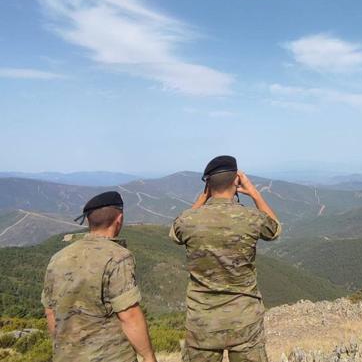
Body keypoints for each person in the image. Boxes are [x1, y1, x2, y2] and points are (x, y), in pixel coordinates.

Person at [170, 155, 282, 362]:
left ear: (208, 185)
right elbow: (274, 229)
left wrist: (203, 198)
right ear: (236, 181)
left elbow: (175, 233)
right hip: (244, 321)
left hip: (202, 324)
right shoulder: (251, 218)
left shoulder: (187, 221)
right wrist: (254, 193)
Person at [41, 191, 157, 362]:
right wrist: (148, 357)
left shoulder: (58, 257)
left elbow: (50, 311)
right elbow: (129, 315)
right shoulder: (118, 257)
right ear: (120, 219)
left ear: (88, 220)